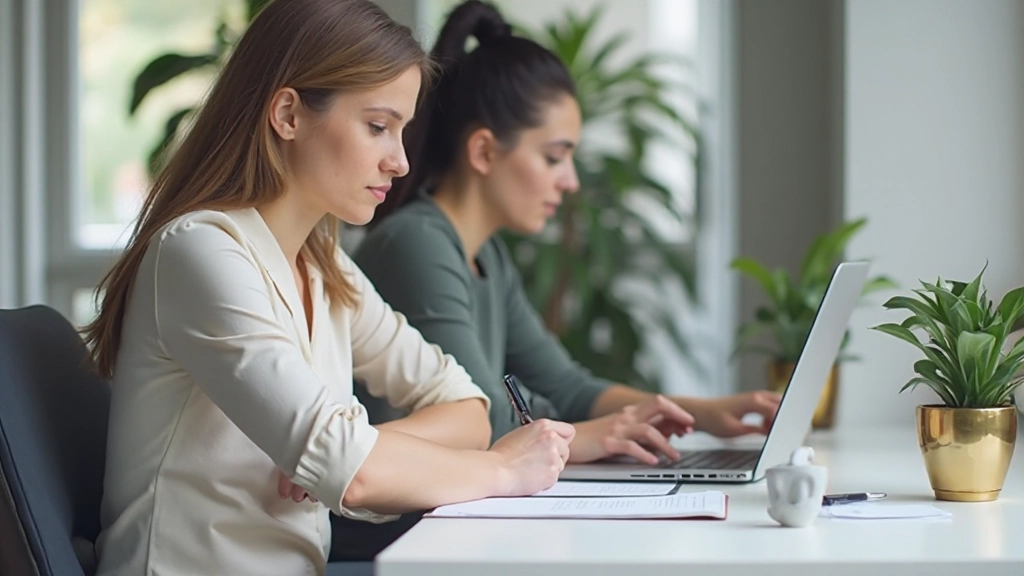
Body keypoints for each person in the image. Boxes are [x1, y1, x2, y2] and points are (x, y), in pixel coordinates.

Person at [82, 1, 575, 574]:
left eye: (403, 131)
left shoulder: (324, 264)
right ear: (288, 114)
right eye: (377, 126)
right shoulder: (201, 251)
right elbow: (359, 476)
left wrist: (347, 448)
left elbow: (467, 407)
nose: (398, 160)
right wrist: (502, 469)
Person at [356, 0, 783, 468]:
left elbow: (568, 387)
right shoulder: (416, 244)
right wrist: (589, 436)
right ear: (483, 151)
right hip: (397, 530)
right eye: (554, 157)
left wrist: (701, 414)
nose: (571, 181)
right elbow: (483, 423)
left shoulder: (487, 256)